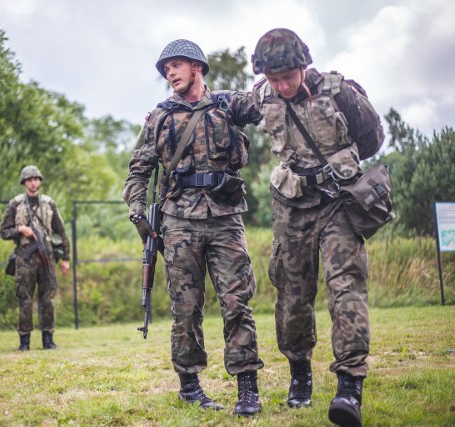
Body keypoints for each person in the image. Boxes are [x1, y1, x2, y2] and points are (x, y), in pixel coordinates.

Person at [250, 28, 385, 427]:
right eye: (274, 79)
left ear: (303, 65)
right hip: (291, 204)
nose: (282, 85)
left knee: (346, 287)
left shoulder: (339, 92)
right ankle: (300, 374)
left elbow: (372, 136)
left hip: (338, 201)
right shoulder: (262, 95)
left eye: (288, 77)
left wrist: (337, 161)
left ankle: (349, 386)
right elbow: (229, 108)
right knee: (292, 295)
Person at [122, 39, 264, 416]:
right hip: (179, 221)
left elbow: (261, 101)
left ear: (197, 67)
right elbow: (138, 170)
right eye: (166, 68)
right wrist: (139, 213)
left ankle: (247, 388)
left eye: (177, 65)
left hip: (225, 218)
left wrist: (278, 71)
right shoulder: (160, 117)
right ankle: (190, 387)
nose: (170, 73)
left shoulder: (226, 104)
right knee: (186, 308)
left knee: (237, 301)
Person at [0, 166, 70, 351]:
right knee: (25, 299)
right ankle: (25, 342)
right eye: (29, 180)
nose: (33, 183)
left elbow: (61, 231)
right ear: (24, 182)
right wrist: (20, 230)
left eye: (36, 179)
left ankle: (48, 339)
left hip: (46, 255)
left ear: (40, 181)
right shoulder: (15, 204)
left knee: (48, 299)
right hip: (25, 257)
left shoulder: (49, 204)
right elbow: (3, 232)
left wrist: (66, 258)